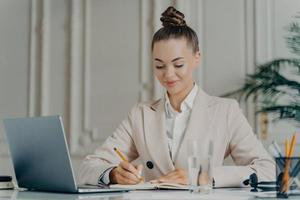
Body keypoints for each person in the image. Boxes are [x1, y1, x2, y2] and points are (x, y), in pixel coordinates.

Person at [79, 6, 275, 187]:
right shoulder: (140, 114)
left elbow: (268, 170)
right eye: (159, 65)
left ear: (196, 57)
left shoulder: (225, 111)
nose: (168, 74)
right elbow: (89, 166)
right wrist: (114, 174)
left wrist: (202, 176)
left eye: (178, 64)